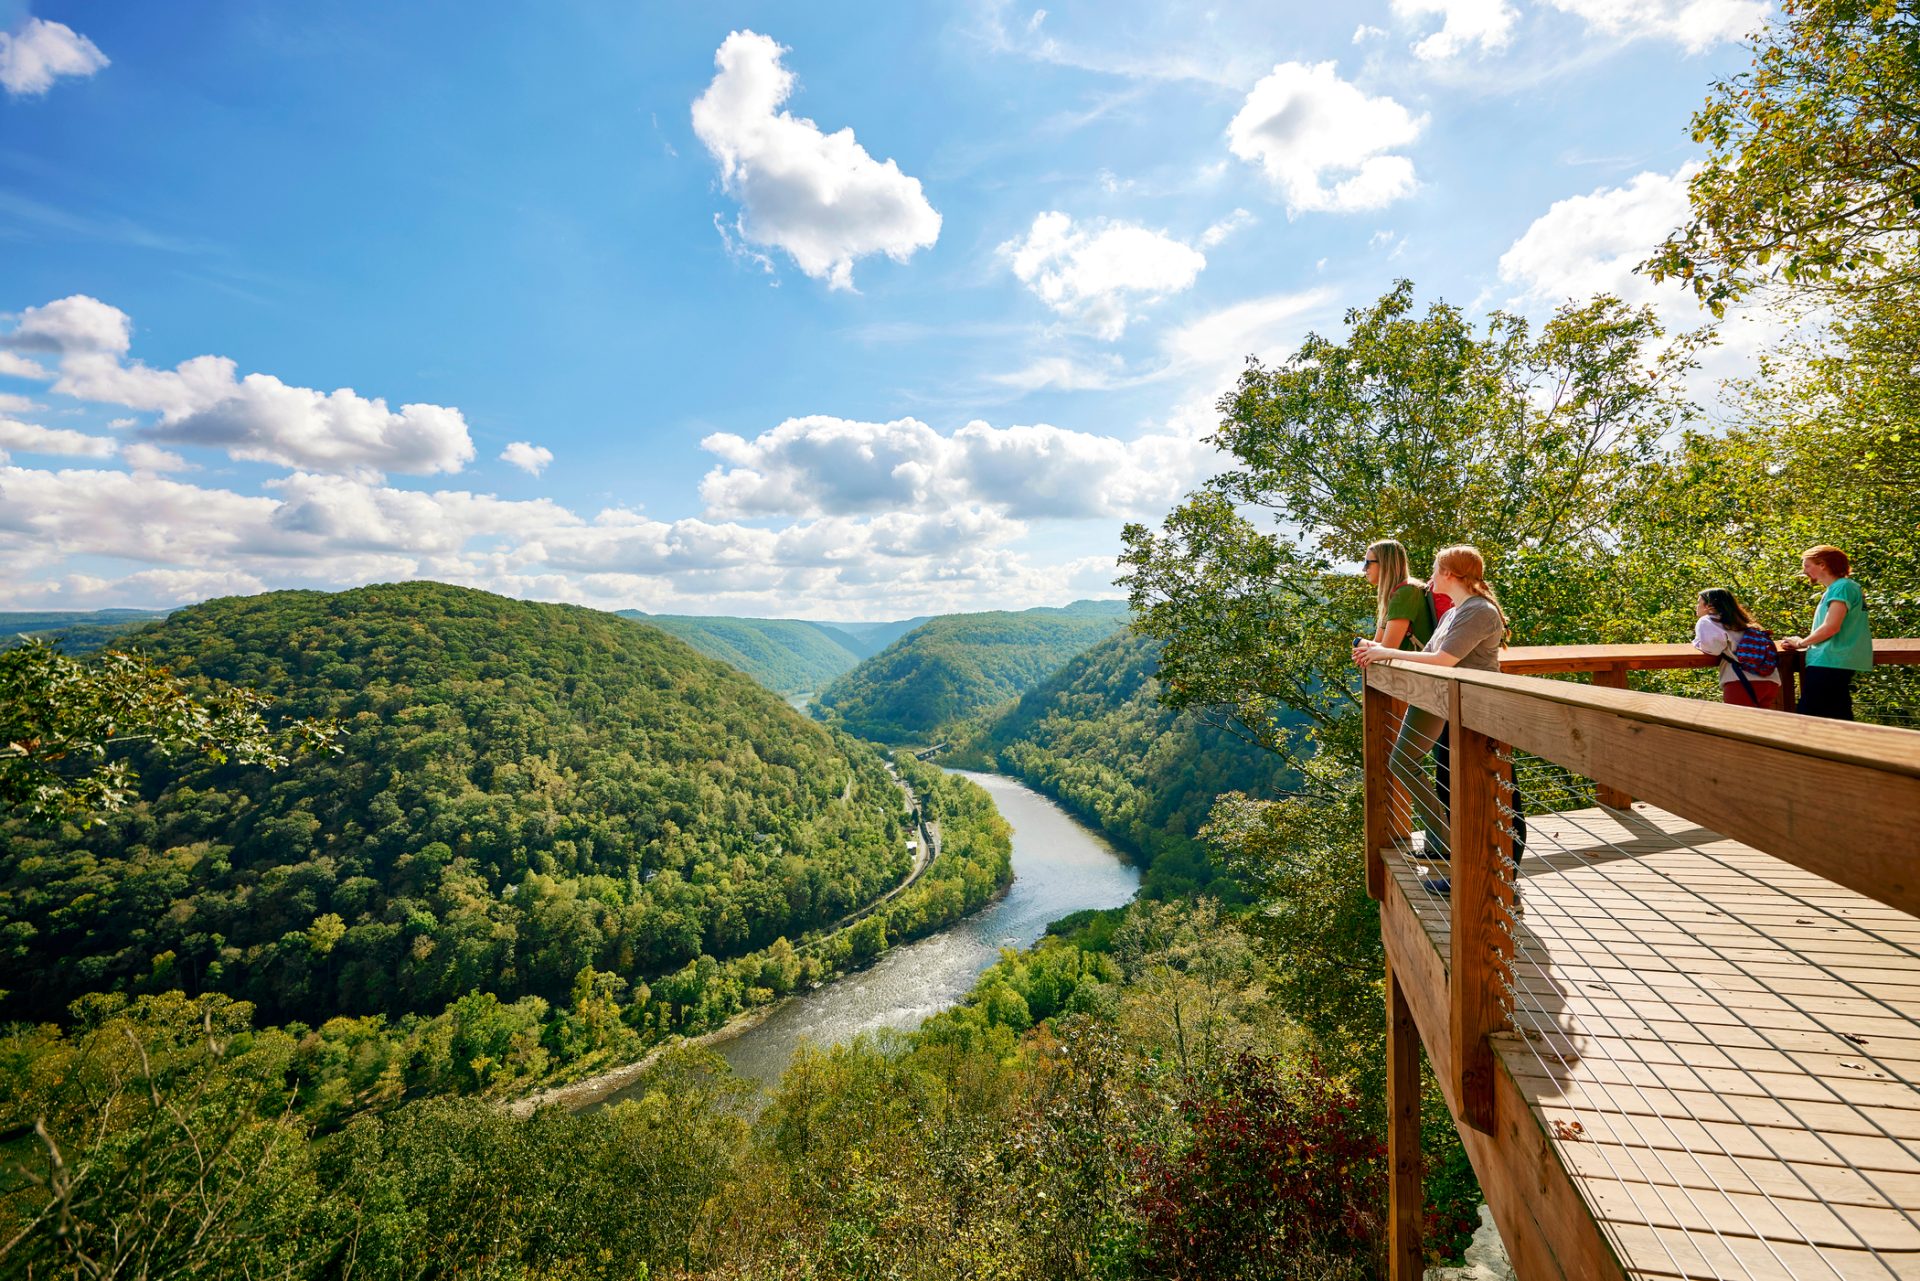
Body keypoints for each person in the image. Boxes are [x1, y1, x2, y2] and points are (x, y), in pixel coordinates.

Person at [1354, 546, 1524, 880]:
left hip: (1478, 713)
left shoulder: (1479, 611)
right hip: (1445, 701)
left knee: (1487, 796)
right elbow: (1429, 654)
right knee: (1409, 763)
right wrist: (1379, 651)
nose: (1429, 576)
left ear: (1449, 574)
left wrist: (1384, 651)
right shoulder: (1452, 614)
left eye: (1434, 569)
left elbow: (1444, 660)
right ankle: (1455, 855)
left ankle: (1500, 883)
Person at [1781, 545, 1872, 720]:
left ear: (1822, 564)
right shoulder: (1841, 587)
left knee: (1807, 718)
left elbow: (1831, 627)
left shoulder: (1842, 587)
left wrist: (1801, 643)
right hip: (1835, 661)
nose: (1804, 571)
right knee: (1838, 716)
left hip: (1831, 661)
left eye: (1807, 566)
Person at [1692, 588, 1782, 709]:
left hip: (1741, 682)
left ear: (1709, 606)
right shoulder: (1743, 621)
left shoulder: (1707, 621)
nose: (1696, 606)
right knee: (1760, 726)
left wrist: (1696, 643)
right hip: (1771, 681)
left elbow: (1712, 649)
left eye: (1699, 602)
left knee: (1737, 725)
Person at [1363, 539, 1435, 652]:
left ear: (1385, 563)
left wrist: (1357, 642)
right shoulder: (1398, 592)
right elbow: (1377, 642)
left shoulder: (1406, 592)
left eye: (1368, 563)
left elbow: (1387, 649)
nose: (1364, 569)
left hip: (1413, 668)